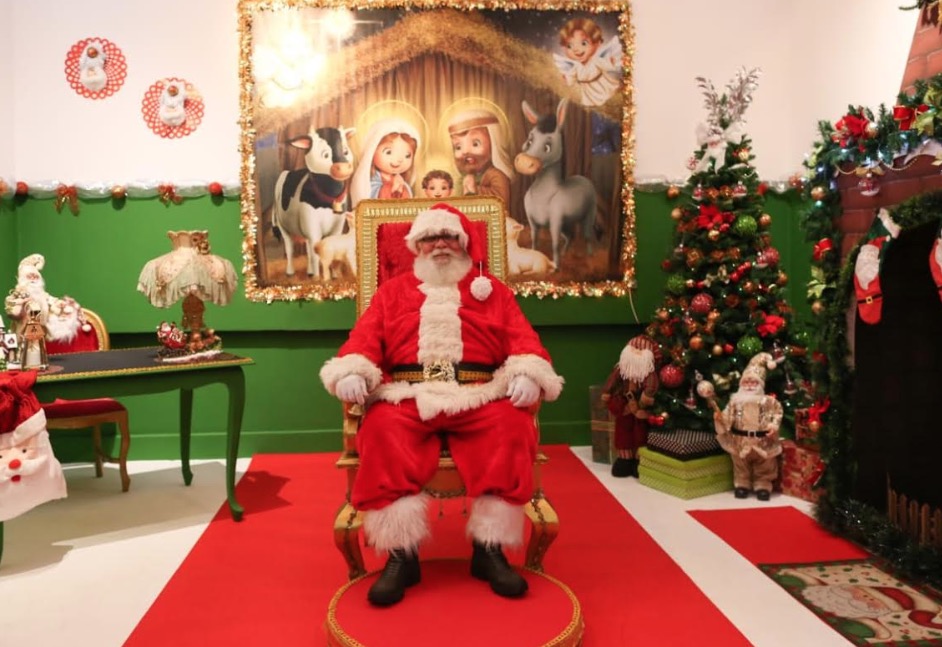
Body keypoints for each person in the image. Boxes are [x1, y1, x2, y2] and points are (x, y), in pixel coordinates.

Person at [320, 202, 564, 607]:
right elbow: (364, 340)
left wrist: (527, 372)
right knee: (381, 428)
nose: (440, 245)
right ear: (416, 245)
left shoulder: (492, 291)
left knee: (511, 425)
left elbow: (523, 339)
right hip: (408, 395)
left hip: (478, 393)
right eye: (430, 238)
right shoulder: (391, 293)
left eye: (449, 236)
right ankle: (402, 555)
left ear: (464, 242)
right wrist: (352, 371)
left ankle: (489, 551)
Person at [712, 352, 783, 500]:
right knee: (740, 464)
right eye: (746, 382)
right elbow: (727, 419)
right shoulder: (735, 402)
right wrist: (720, 419)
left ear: (760, 384)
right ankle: (741, 484)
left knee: (765, 464)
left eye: (754, 383)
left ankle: (763, 484)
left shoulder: (769, 402)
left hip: (762, 441)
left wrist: (773, 425)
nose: (750, 386)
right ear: (741, 384)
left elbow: (777, 413)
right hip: (740, 441)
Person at [600, 334, 661, 478]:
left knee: (640, 433)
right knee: (622, 432)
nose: (636, 352)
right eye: (634, 348)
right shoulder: (622, 368)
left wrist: (647, 395)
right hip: (624, 405)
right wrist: (607, 392)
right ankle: (625, 458)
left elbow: (652, 384)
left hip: (640, 407)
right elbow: (613, 380)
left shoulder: (650, 373)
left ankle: (639, 461)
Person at [446, 108, 514, 207]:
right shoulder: (462, 179)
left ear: (493, 143)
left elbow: (501, 200)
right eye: (458, 147)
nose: (465, 151)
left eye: (475, 144)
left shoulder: (496, 175)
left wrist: (476, 189)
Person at [350, 118, 420, 208]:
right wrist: (391, 186)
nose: (399, 159)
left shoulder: (402, 181)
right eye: (389, 152)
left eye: (407, 155)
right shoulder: (369, 182)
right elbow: (369, 199)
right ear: (372, 151)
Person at [553, 17, 622, 107]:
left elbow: (606, 64)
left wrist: (610, 62)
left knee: (607, 96)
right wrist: (567, 79)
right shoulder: (576, 66)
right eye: (569, 45)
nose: (576, 50)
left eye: (584, 43)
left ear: (597, 44)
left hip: (601, 85)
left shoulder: (596, 60)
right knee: (591, 103)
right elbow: (572, 77)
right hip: (588, 91)